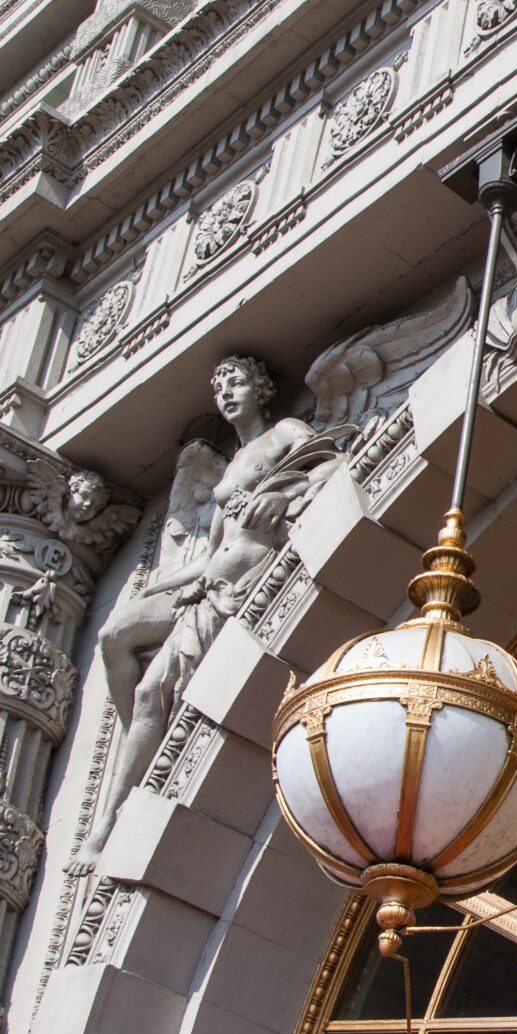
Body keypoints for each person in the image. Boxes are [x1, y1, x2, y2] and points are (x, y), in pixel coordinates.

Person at [79, 354, 338, 861]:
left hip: (242, 583)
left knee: (154, 688)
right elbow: (210, 555)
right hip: (208, 583)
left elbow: (332, 463)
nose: (225, 394)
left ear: (262, 389)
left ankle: (111, 814)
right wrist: (152, 593)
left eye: (237, 381)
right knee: (113, 636)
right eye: (218, 388)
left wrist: (285, 497)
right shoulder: (228, 472)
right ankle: (140, 747)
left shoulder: (283, 432)